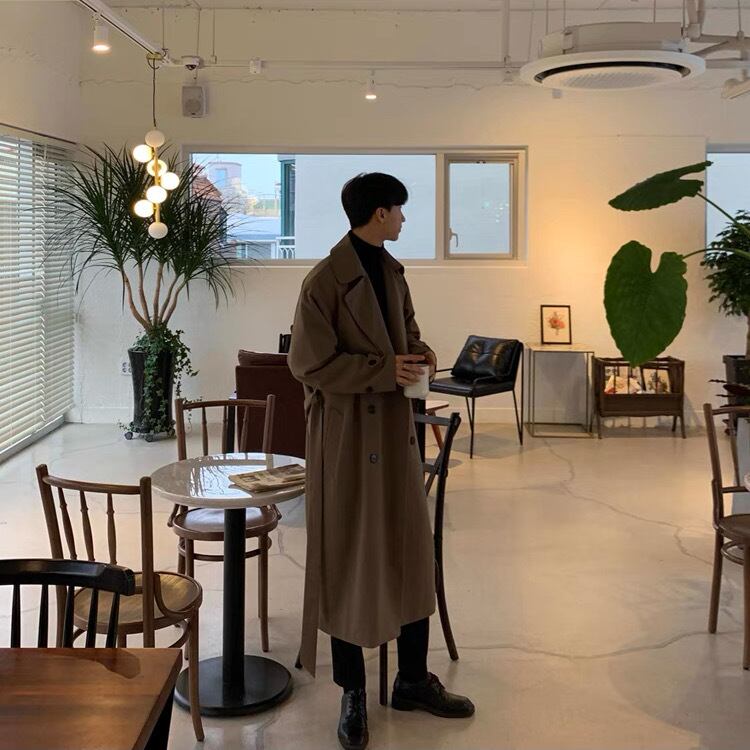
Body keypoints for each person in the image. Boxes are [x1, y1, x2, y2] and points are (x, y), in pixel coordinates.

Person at [288, 173, 475, 750]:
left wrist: (420, 355)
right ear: (378, 213)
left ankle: (413, 678)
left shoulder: (392, 271)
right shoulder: (324, 280)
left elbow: (408, 334)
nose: (403, 219)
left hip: (395, 434)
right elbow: (307, 363)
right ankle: (352, 691)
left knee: (409, 550)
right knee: (348, 556)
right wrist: (381, 369)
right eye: (399, 210)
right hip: (345, 439)